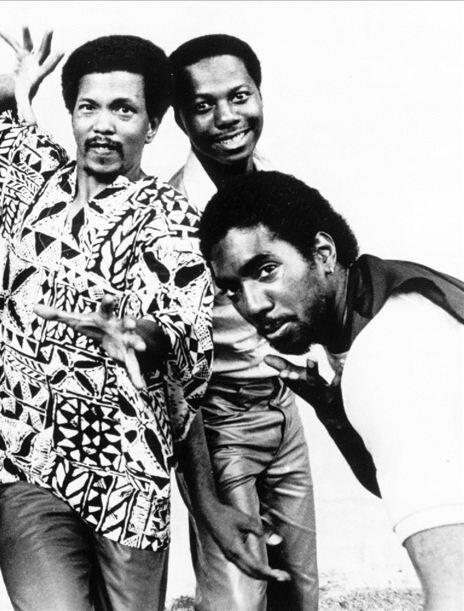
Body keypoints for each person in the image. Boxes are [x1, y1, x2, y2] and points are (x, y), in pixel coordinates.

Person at [0, 28, 285, 610]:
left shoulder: (173, 221)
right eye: (88, 107)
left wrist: (136, 336)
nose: (103, 125)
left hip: (131, 475)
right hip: (25, 455)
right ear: (72, 115)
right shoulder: (32, 179)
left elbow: (175, 350)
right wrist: (18, 85)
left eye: (124, 109)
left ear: (152, 125)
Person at [198, 170, 464, 610]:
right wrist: (337, 417)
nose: (252, 305)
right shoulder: (391, 297)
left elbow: (455, 592)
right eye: (232, 290)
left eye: (266, 270)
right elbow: (420, 486)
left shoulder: (386, 360)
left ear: (323, 253)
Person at [167, 34, 318, 609]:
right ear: (180, 119)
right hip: (219, 425)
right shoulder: (169, 214)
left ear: (259, 94)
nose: (227, 117)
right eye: (203, 105)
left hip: (284, 410)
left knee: (300, 592)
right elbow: (172, 368)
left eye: (239, 96)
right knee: (235, 597)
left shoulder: (281, 184)